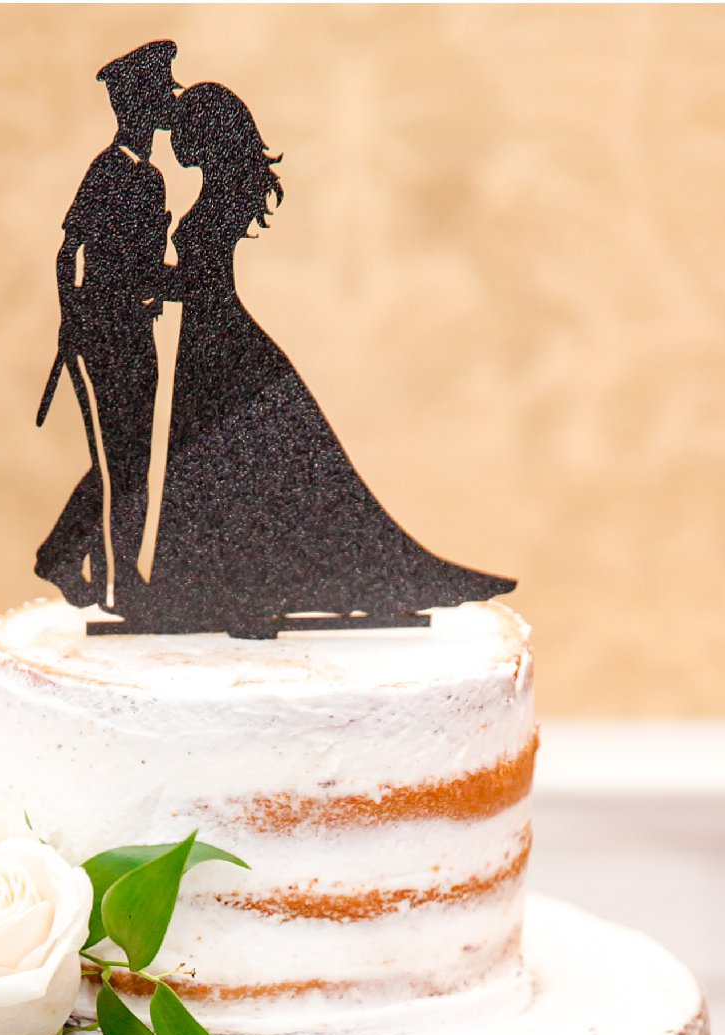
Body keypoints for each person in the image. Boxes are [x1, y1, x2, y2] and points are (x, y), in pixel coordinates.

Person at [144, 80, 515, 636]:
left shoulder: (221, 196)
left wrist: (131, 281)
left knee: (233, 475)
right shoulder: (219, 189)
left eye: (179, 132)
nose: (171, 144)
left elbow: (202, 281)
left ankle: (241, 597)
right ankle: (221, 593)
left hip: (221, 344)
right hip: (211, 340)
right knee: (224, 476)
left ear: (205, 132)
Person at [34, 41, 178, 614]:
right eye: (160, 91)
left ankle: (64, 555)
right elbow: (68, 250)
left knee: (128, 464)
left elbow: (142, 268)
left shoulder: (152, 176)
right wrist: (73, 323)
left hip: (137, 334)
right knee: (122, 468)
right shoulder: (110, 170)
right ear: (135, 105)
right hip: (104, 338)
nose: (170, 98)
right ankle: (120, 588)